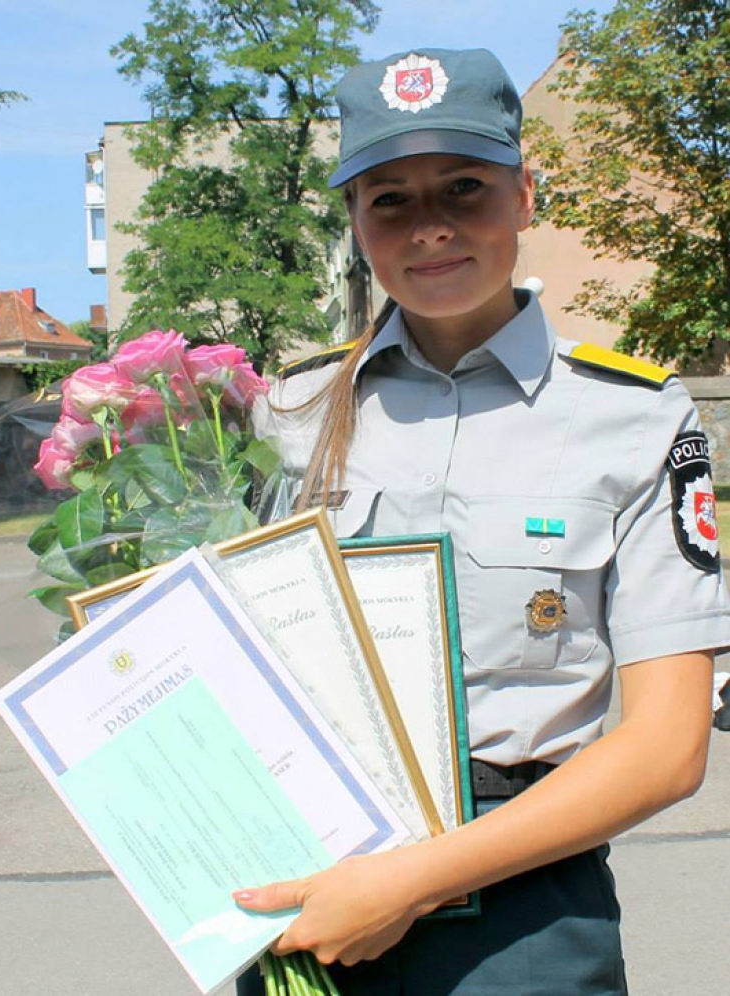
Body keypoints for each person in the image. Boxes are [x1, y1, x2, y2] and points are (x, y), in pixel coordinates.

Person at [234, 48, 730, 995]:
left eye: (464, 187)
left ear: (524, 195)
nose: (428, 226)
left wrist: (406, 882)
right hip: (309, 884)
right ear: (354, 222)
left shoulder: (631, 416)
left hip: (522, 912)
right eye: (389, 198)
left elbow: (668, 748)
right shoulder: (289, 411)